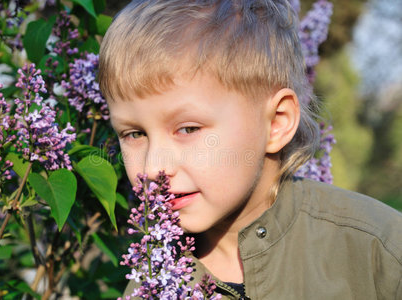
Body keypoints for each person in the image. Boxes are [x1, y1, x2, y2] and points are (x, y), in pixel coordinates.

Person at [98, 0, 402, 298]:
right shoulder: (150, 287)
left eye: (188, 129)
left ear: (276, 124)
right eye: (134, 134)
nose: (153, 168)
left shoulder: (379, 251)